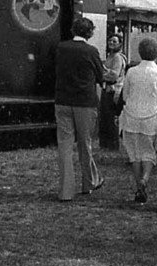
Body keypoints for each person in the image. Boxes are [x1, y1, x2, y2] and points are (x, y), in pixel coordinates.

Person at [54, 17, 105, 200]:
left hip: (62, 100)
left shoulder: (61, 47)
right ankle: (88, 182)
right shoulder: (91, 51)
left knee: (65, 146)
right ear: (89, 33)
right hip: (84, 102)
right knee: (85, 144)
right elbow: (101, 76)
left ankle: (66, 191)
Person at [119, 37, 157, 203]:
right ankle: (145, 178)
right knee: (149, 151)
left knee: (134, 153)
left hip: (131, 116)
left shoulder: (131, 72)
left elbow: (125, 95)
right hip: (151, 117)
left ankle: (137, 184)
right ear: (156, 53)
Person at [99, 34, 127, 149]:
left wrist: (102, 75)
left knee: (110, 118)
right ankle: (105, 143)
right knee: (105, 117)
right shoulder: (110, 56)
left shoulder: (117, 58)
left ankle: (112, 144)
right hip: (107, 89)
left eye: (114, 41)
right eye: (110, 40)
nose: (111, 43)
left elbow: (113, 76)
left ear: (120, 44)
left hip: (114, 91)